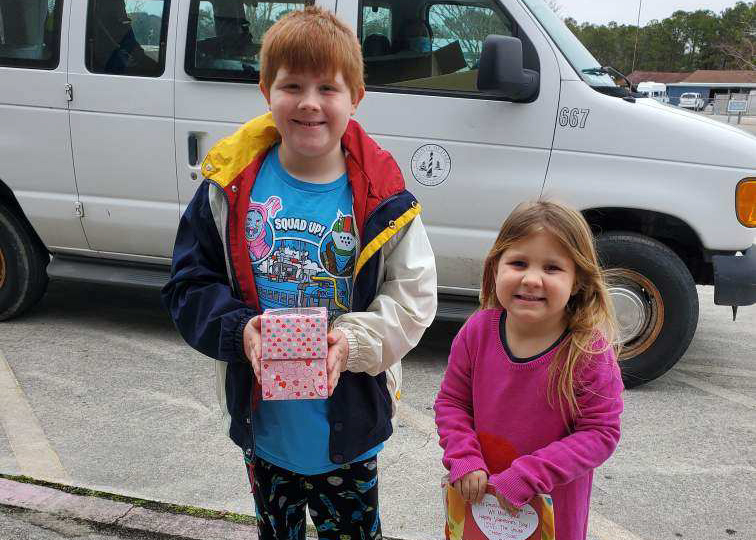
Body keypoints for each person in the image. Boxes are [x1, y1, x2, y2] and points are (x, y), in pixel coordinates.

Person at [161, 7, 437, 540]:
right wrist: (239, 328)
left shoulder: (385, 199)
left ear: (355, 96)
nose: (309, 102)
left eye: (327, 88)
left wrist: (351, 343)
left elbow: (412, 299)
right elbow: (188, 285)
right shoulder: (226, 188)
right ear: (266, 89)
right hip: (264, 432)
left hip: (350, 431)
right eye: (292, 85)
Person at [434, 201, 623, 540]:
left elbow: (600, 432)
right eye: (518, 263)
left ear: (578, 280)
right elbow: (451, 403)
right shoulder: (477, 331)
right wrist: (463, 457)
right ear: (496, 267)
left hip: (552, 518)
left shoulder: (588, 350)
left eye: (552, 268)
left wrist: (529, 474)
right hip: (479, 508)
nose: (532, 279)